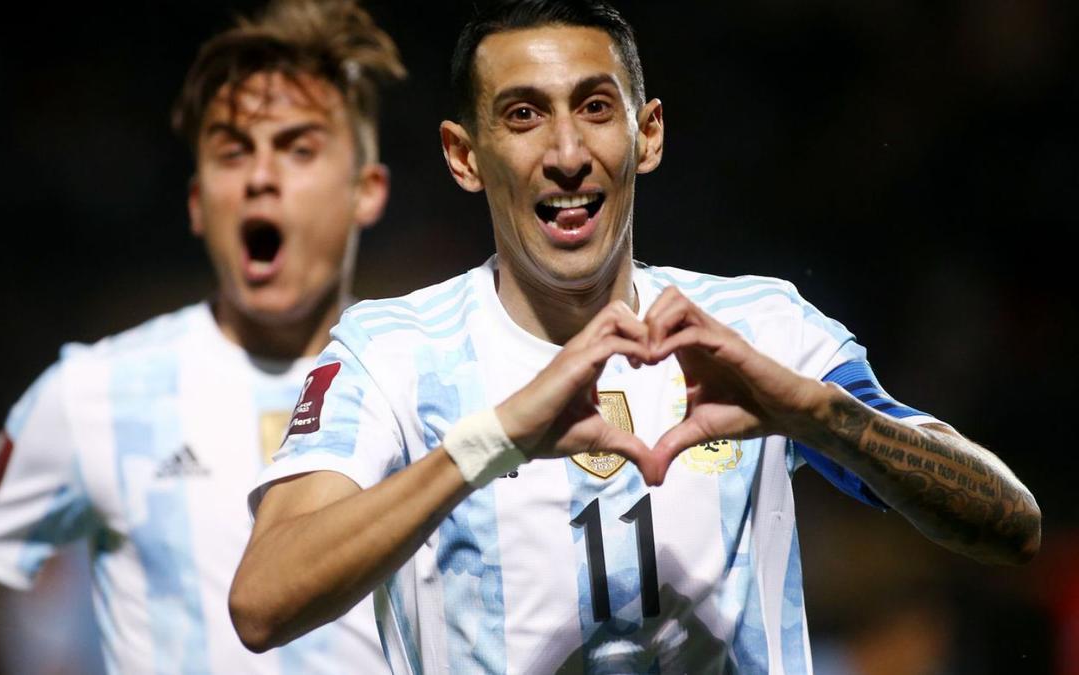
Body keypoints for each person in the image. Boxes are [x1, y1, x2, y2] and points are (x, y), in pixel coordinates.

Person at [230, 1, 1042, 673]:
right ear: (463, 155)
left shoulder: (760, 328)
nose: (568, 153)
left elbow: (1013, 524)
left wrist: (819, 415)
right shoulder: (392, 351)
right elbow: (264, 601)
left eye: (594, 106)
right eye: (523, 115)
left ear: (646, 133)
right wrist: (491, 440)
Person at [0, 0, 404, 672]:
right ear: (197, 201)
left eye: (298, 148)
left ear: (367, 189)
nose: (261, 177)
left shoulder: (426, 375)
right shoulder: (97, 392)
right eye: (231, 151)